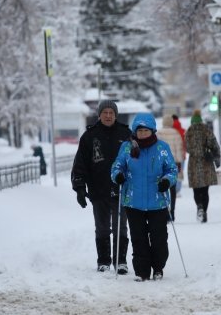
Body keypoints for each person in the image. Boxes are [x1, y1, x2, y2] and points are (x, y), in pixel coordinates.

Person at [111, 113, 178, 281]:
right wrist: (118, 175)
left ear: (152, 130)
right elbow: (117, 166)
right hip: (133, 202)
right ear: (135, 131)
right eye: (139, 130)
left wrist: (166, 181)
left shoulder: (162, 147)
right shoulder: (127, 148)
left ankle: (158, 268)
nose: (142, 133)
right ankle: (141, 272)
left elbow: (172, 170)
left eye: (145, 130)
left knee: (159, 239)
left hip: (158, 201)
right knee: (138, 239)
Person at [71, 100, 132, 274]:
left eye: (111, 113)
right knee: (103, 227)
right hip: (99, 189)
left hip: (121, 189)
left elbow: (135, 161)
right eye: (104, 112)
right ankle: (104, 261)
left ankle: (120, 261)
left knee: (121, 226)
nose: (108, 116)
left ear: (115, 115)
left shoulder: (126, 134)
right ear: (99, 115)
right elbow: (80, 164)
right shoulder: (90, 136)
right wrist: (80, 188)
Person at [185, 109, 221, 223]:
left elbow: (187, 147)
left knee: (196, 190)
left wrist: (195, 151)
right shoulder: (206, 130)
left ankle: (199, 206)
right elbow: (214, 144)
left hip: (193, 163)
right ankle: (204, 212)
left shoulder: (188, 132)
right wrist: (216, 157)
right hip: (206, 163)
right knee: (205, 190)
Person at [156, 114, 185, 221]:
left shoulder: (158, 133)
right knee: (172, 190)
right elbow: (179, 150)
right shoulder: (176, 134)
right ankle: (172, 212)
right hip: (172, 165)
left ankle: (164, 211)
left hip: (161, 165)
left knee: (162, 189)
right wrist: (179, 163)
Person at [172, 114, 186, 195]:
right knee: (180, 172)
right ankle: (178, 190)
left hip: (170, 155)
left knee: (171, 172)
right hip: (181, 155)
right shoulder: (183, 131)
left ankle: (172, 189)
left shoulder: (169, 131)